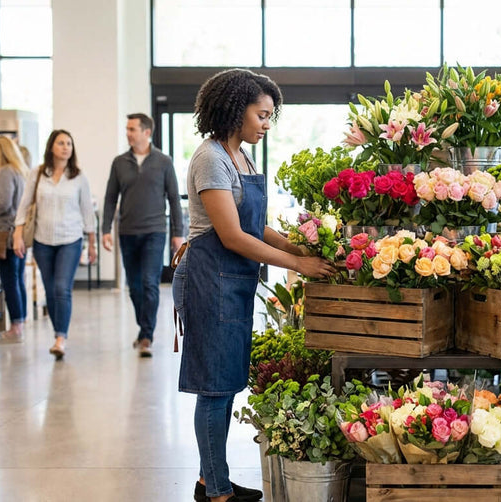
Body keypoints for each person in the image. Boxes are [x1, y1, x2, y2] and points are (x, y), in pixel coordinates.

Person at [173, 69, 335, 502]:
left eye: (269, 117)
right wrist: (297, 263)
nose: (266, 125)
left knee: (225, 383)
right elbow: (232, 236)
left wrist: (299, 245)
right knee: (214, 388)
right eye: (261, 115)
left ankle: (212, 480)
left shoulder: (241, 157)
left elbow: (255, 226)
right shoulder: (211, 158)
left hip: (232, 279)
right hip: (209, 278)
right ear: (234, 110)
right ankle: (217, 493)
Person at [102, 112, 184, 357]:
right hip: (127, 232)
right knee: (135, 287)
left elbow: (174, 198)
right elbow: (110, 198)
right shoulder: (119, 162)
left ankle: (147, 335)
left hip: (154, 232)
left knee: (149, 283)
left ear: (146, 132)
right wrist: (105, 229)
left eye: (132, 129)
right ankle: (144, 328)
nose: (128, 133)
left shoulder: (164, 161)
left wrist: (177, 233)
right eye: (127, 129)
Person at [14, 130, 97, 360]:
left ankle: (61, 337)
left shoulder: (78, 176)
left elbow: (87, 211)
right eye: (61, 143)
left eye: (69, 143)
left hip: (70, 240)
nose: (66, 147)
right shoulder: (38, 173)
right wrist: (18, 233)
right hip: (43, 241)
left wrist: (92, 243)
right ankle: (57, 332)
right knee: (50, 290)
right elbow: (24, 204)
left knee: (62, 288)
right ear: (51, 146)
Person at [0, 136, 28, 343]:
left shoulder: (5, 172)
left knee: (9, 280)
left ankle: (15, 327)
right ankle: (21, 321)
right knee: (18, 279)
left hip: (5, 234)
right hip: (19, 232)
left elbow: (4, 202)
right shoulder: (20, 171)